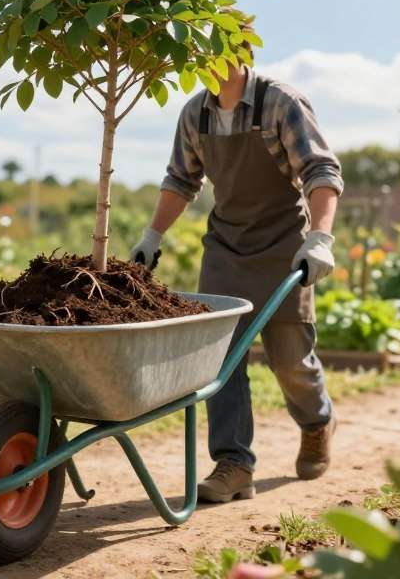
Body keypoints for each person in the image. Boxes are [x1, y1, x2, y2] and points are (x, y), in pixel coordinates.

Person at [130, 52, 342, 504]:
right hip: (226, 249)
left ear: (242, 52)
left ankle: (317, 420)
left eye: (217, 48)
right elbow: (181, 180)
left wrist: (320, 237)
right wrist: (153, 234)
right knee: (220, 363)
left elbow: (320, 170)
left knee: (290, 361)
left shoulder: (280, 103)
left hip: (284, 247)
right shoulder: (195, 113)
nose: (205, 60)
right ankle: (234, 463)